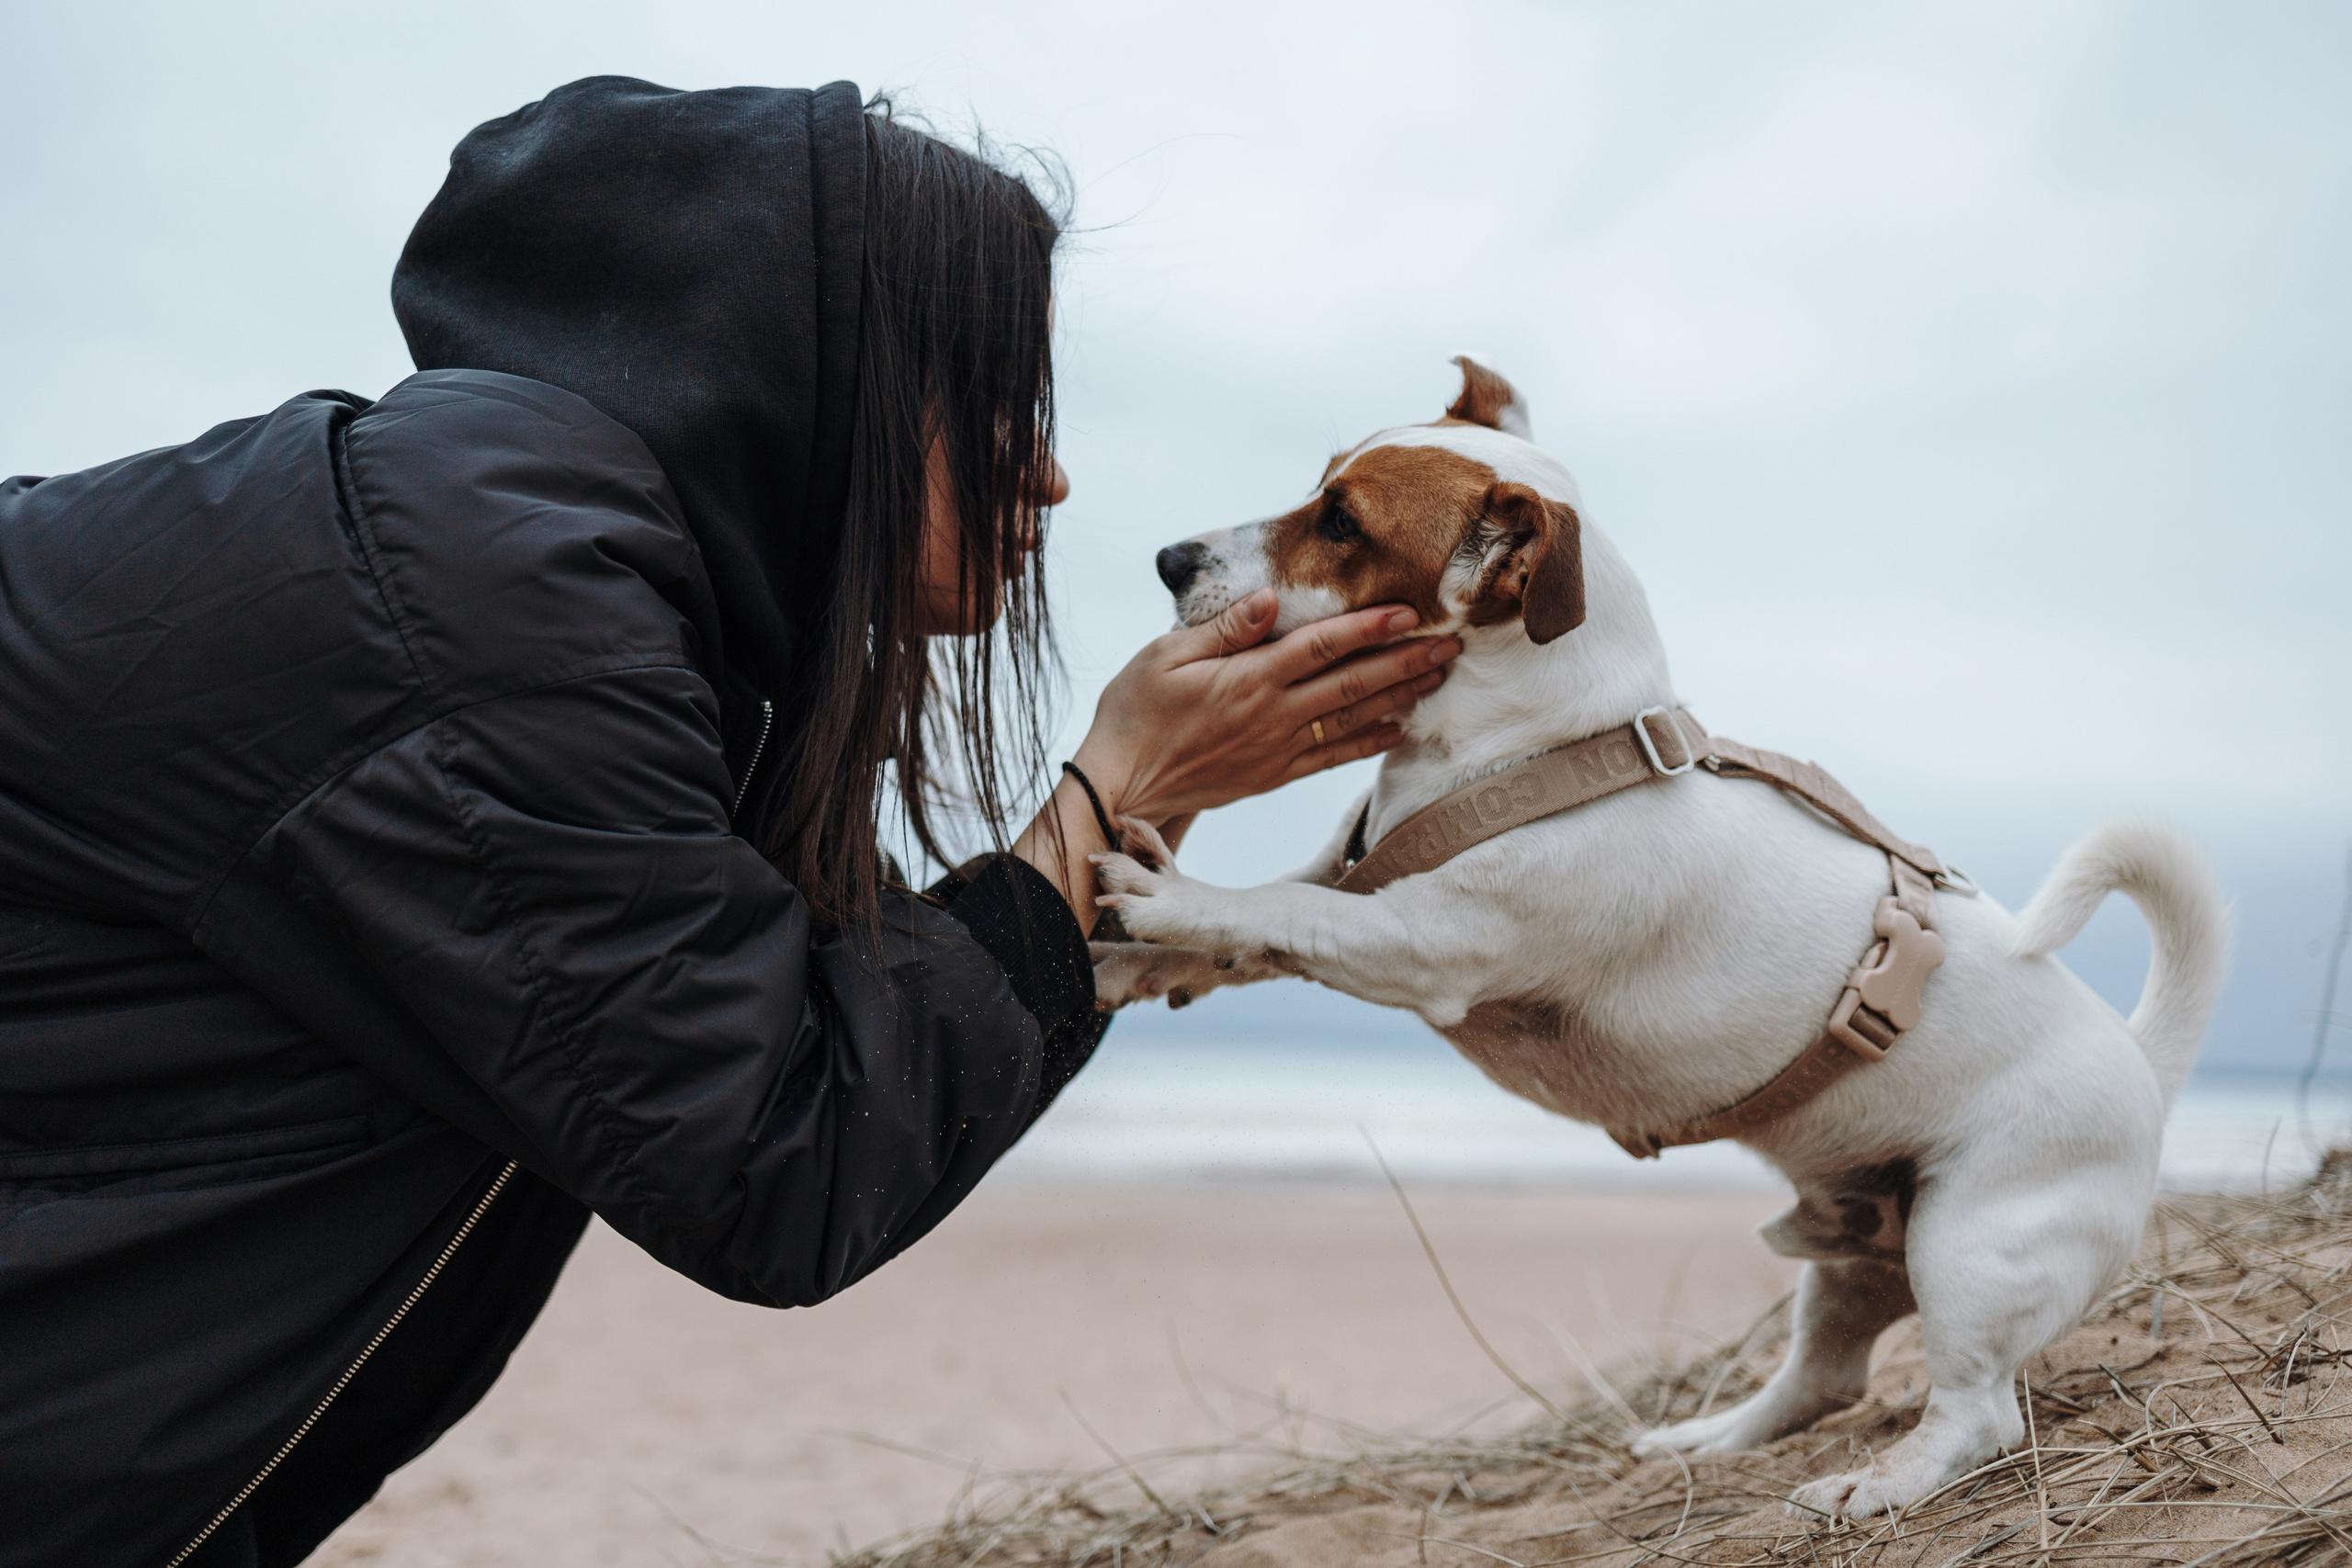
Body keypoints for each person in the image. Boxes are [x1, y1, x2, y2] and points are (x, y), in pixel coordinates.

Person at [0, 77, 1460, 1567]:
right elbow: (782, 1153)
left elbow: (844, 1025)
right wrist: (1121, 785)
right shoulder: (492, 614)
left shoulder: (609, 609)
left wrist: (1152, 790)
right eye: (998, 403)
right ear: (814, 377)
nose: (1049, 472)